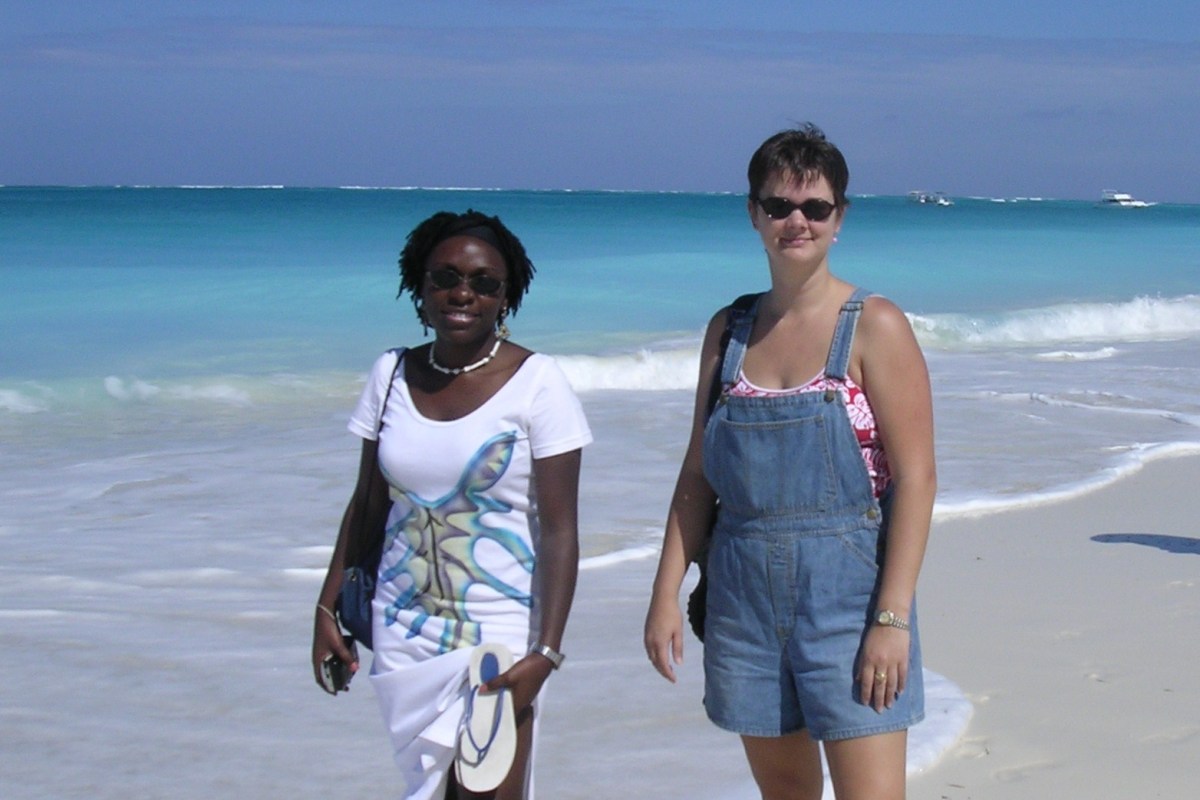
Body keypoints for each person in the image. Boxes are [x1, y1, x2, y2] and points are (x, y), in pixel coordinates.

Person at [644, 125, 936, 800]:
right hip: (742, 601)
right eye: (778, 206)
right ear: (753, 214)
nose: (796, 221)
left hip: (850, 599)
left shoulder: (874, 325)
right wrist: (665, 591)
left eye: (815, 207)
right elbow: (698, 475)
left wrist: (890, 621)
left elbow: (917, 479)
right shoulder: (730, 331)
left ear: (841, 218)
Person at [312, 210, 592, 800]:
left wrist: (546, 652)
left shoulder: (540, 384)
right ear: (420, 286)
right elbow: (367, 504)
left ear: (505, 296)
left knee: (490, 791)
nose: (463, 293)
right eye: (445, 278)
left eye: (484, 282)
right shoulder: (390, 374)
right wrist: (326, 609)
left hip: (500, 634)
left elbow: (561, 532)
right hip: (403, 628)